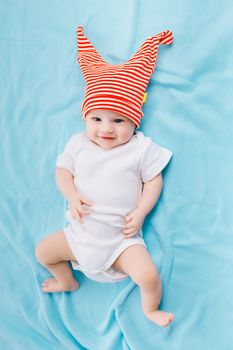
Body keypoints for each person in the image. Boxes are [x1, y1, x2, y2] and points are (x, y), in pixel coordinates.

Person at [35, 26, 174, 327]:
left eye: (118, 120)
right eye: (96, 119)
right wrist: (71, 196)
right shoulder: (78, 143)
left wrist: (140, 212)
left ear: (134, 121)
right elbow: (62, 171)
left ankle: (150, 310)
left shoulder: (140, 148)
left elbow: (153, 180)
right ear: (85, 117)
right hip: (78, 237)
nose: (106, 129)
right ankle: (66, 280)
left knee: (148, 276)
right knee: (43, 251)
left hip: (120, 243)